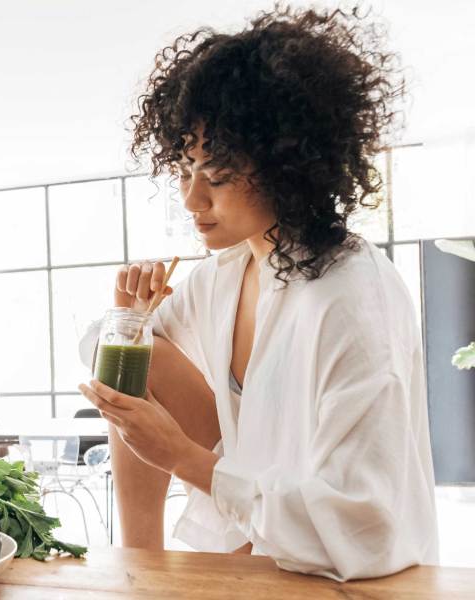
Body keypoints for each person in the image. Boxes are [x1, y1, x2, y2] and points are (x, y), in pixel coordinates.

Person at [77, 5, 438, 581]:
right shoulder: (225, 275)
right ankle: (138, 564)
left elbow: (366, 528)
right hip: (251, 554)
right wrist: (127, 319)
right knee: (127, 353)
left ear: (289, 167)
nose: (193, 200)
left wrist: (185, 459)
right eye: (186, 170)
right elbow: (113, 361)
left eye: (216, 177)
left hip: (345, 578)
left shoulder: (351, 296)